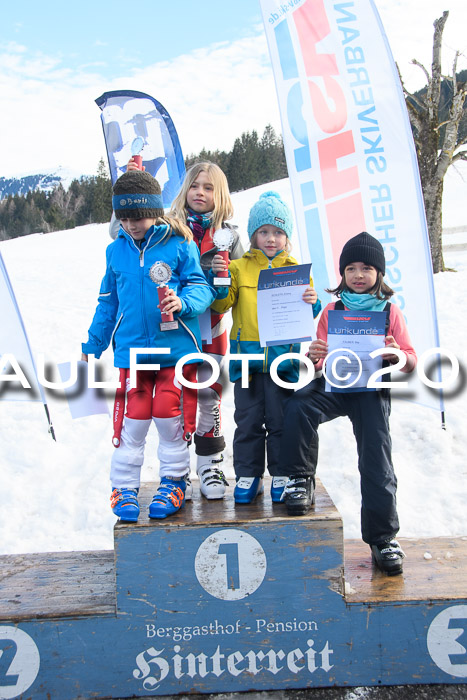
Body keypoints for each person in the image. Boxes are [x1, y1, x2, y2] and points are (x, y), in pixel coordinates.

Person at [279, 231, 417, 576]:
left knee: (376, 462)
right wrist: (314, 356)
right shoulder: (332, 310)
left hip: (371, 391)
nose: (358, 275)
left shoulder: (390, 312)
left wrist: (395, 352)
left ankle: (383, 538)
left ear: (379, 274)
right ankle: (300, 479)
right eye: (351, 268)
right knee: (299, 405)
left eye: (366, 268)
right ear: (342, 273)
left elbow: (412, 360)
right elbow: (316, 359)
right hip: (337, 385)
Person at [81, 170, 215, 521]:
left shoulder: (179, 243)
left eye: (136, 217)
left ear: (154, 211)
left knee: (168, 414)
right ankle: (124, 487)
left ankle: (174, 481)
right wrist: (94, 342)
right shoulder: (115, 251)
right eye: (123, 218)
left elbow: (202, 287)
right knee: (134, 419)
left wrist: (182, 302)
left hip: (175, 351)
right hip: (133, 354)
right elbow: (108, 302)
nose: (130, 225)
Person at [210, 191, 321, 504]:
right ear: (253, 235)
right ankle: (249, 473)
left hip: (282, 361)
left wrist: (313, 302)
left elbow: (308, 314)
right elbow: (221, 304)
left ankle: (282, 473)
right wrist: (219, 276)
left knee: (280, 420)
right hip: (246, 359)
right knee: (247, 420)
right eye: (263, 232)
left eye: (277, 232)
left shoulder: (297, 271)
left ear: (286, 237)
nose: (271, 239)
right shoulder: (238, 268)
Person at [169, 161, 244, 499]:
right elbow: (119, 230)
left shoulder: (229, 235)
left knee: (209, 395)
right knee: (174, 396)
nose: (200, 192)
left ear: (220, 194)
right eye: (195, 185)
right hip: (174, 328)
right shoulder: (167, 227)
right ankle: (176, 470)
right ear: (186, 189)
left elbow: (248, 276)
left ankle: (210, 464)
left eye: (209, 187)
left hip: (212, 328)